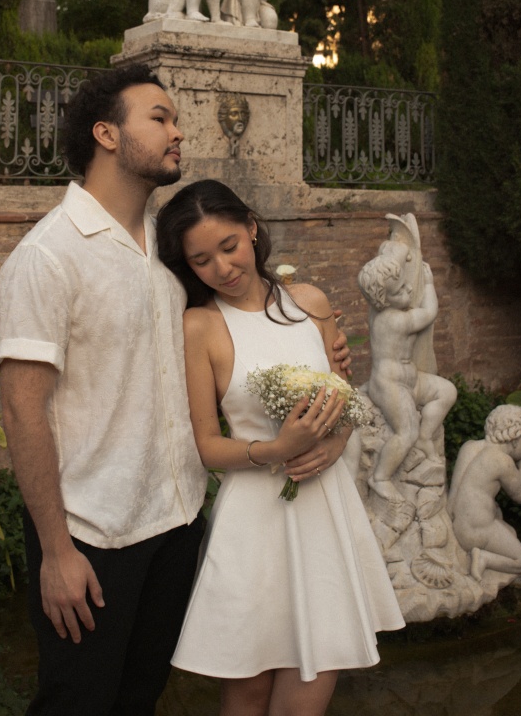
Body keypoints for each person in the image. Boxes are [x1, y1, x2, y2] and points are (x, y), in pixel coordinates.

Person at [0, 66, 351, 716]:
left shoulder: (166, 259)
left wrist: (318, 352)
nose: (177, 131)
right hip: (92, 534)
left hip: (176, 527)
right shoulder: (48, 257)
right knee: (77, 704)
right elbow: (22, 410)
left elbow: (239, 330)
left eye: (175, 119)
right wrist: (55, 551)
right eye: (159, 117)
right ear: (107, 134)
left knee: (139, 702)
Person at [156, 179, 404, 716]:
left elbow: (343, 397)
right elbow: (206, 445)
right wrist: (277, 449)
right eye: (201, 260)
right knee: (247, 690)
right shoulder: (199, 326)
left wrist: (334, 443)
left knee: (312, 678)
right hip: (253, 520)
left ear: (251, 228)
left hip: (323, 509)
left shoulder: (310, 303)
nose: (222, 268)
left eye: (229, 246)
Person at [357, 254, 457, 504]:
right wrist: (429, 284)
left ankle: (425, 435)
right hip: (389, 385)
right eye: (400, 289)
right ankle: (380, 477)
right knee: (406, 432)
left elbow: (392, 258)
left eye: (406, 283)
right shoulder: (394, 320)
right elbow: (429, 312)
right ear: (383, 300)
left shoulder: (381, 308)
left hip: (410, 378)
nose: (409, 289)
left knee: (447, 391)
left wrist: (403, 253)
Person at [448, 404, 521, 582]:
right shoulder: (503, 461)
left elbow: (455, 492)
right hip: (475, 532)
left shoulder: (469, 447)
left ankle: (500, 568)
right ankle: (483, 558)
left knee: (510, 532)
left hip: (457, 525)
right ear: (515, 439)